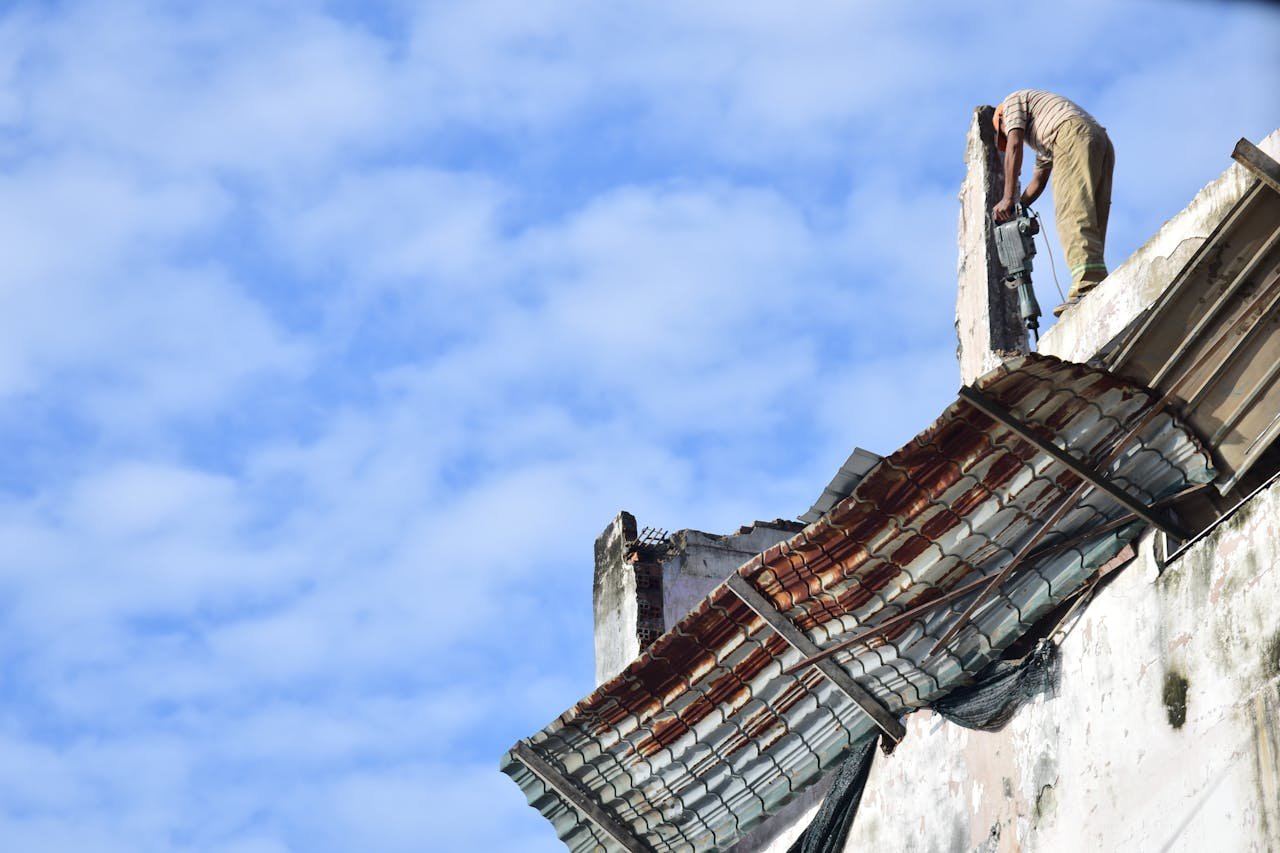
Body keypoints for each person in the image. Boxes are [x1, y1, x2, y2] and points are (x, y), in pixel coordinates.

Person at [992, 90, 1115, 316]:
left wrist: (1007, 198)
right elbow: (1038, 182)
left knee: (1071, 212)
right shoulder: (1044, 134)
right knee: (1091, 215)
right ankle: (1096, 280)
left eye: (1003, 133)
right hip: (1098, 139)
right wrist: (1017, 208)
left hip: (1071, 135)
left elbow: (1014, 146)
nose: (1007, 135)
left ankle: (1087, 285)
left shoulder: (1011, 103)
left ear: (1001, 119)